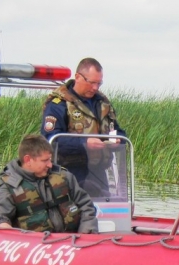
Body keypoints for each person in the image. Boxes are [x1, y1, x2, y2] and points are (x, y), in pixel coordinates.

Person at [41, 57, 126, 198]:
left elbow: (117, 130)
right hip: (67, 173)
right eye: (92, 83)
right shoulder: (59, 103)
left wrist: (118, 140)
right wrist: (84, 143)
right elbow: (50, 139)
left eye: (99, 83)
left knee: (101, 213)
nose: (95, 88)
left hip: (98, 172)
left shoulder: (102, 103)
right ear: (78, 77)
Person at [0, 134, 98, 234]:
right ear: (28, 160)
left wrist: (86, 234)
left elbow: (86, 206)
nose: (50, 165)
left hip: (71, 242)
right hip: (34, 248)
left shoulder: (64, 176)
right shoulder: (8, 187)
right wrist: (2, 225)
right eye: (44, 160)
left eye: (50, 160)